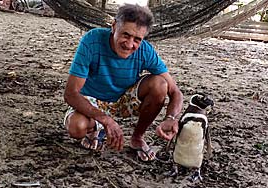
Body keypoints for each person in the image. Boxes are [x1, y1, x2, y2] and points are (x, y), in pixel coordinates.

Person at [63, 3, 183, 162]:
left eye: (137, 39)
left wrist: (171, 118)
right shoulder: (92, 40)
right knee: (76, 127)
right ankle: (96, 129)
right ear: (114, 26)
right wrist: (105, 120)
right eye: (125, 35)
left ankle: (137, 138)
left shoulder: (145, 50)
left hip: (124, 100)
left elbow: (175, 92)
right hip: (92, 99)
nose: (129, 44)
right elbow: (70, 94)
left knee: (160, 84)